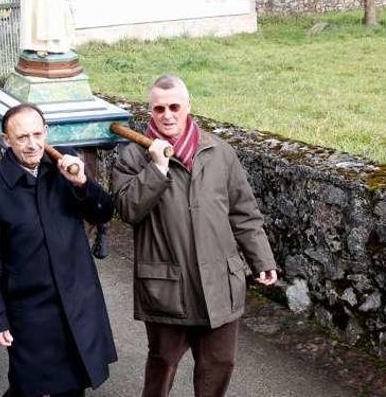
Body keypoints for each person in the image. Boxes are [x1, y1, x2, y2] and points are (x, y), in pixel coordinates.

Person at [112, 75, 278, 397]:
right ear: (151, 111)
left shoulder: (219, 152)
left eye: (175, 106)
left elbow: (243, 211)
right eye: (159, 109)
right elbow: (128, 210)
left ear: (189, 106)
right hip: (167, 288)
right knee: (162, 365)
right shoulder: (133, 156)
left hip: (219, 283)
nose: (167, 115)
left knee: (220, 366)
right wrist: (157, 168)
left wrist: (261, 258)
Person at [0, 103, 116, 397]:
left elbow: (103, 213)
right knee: (29, 386)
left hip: (77, 302)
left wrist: (83, 184)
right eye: (22, 137)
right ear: (6, 139)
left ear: (46, 132)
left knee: (74, 385)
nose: (32, 144)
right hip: (31, 312)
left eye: (37, 134)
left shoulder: (65, 166)